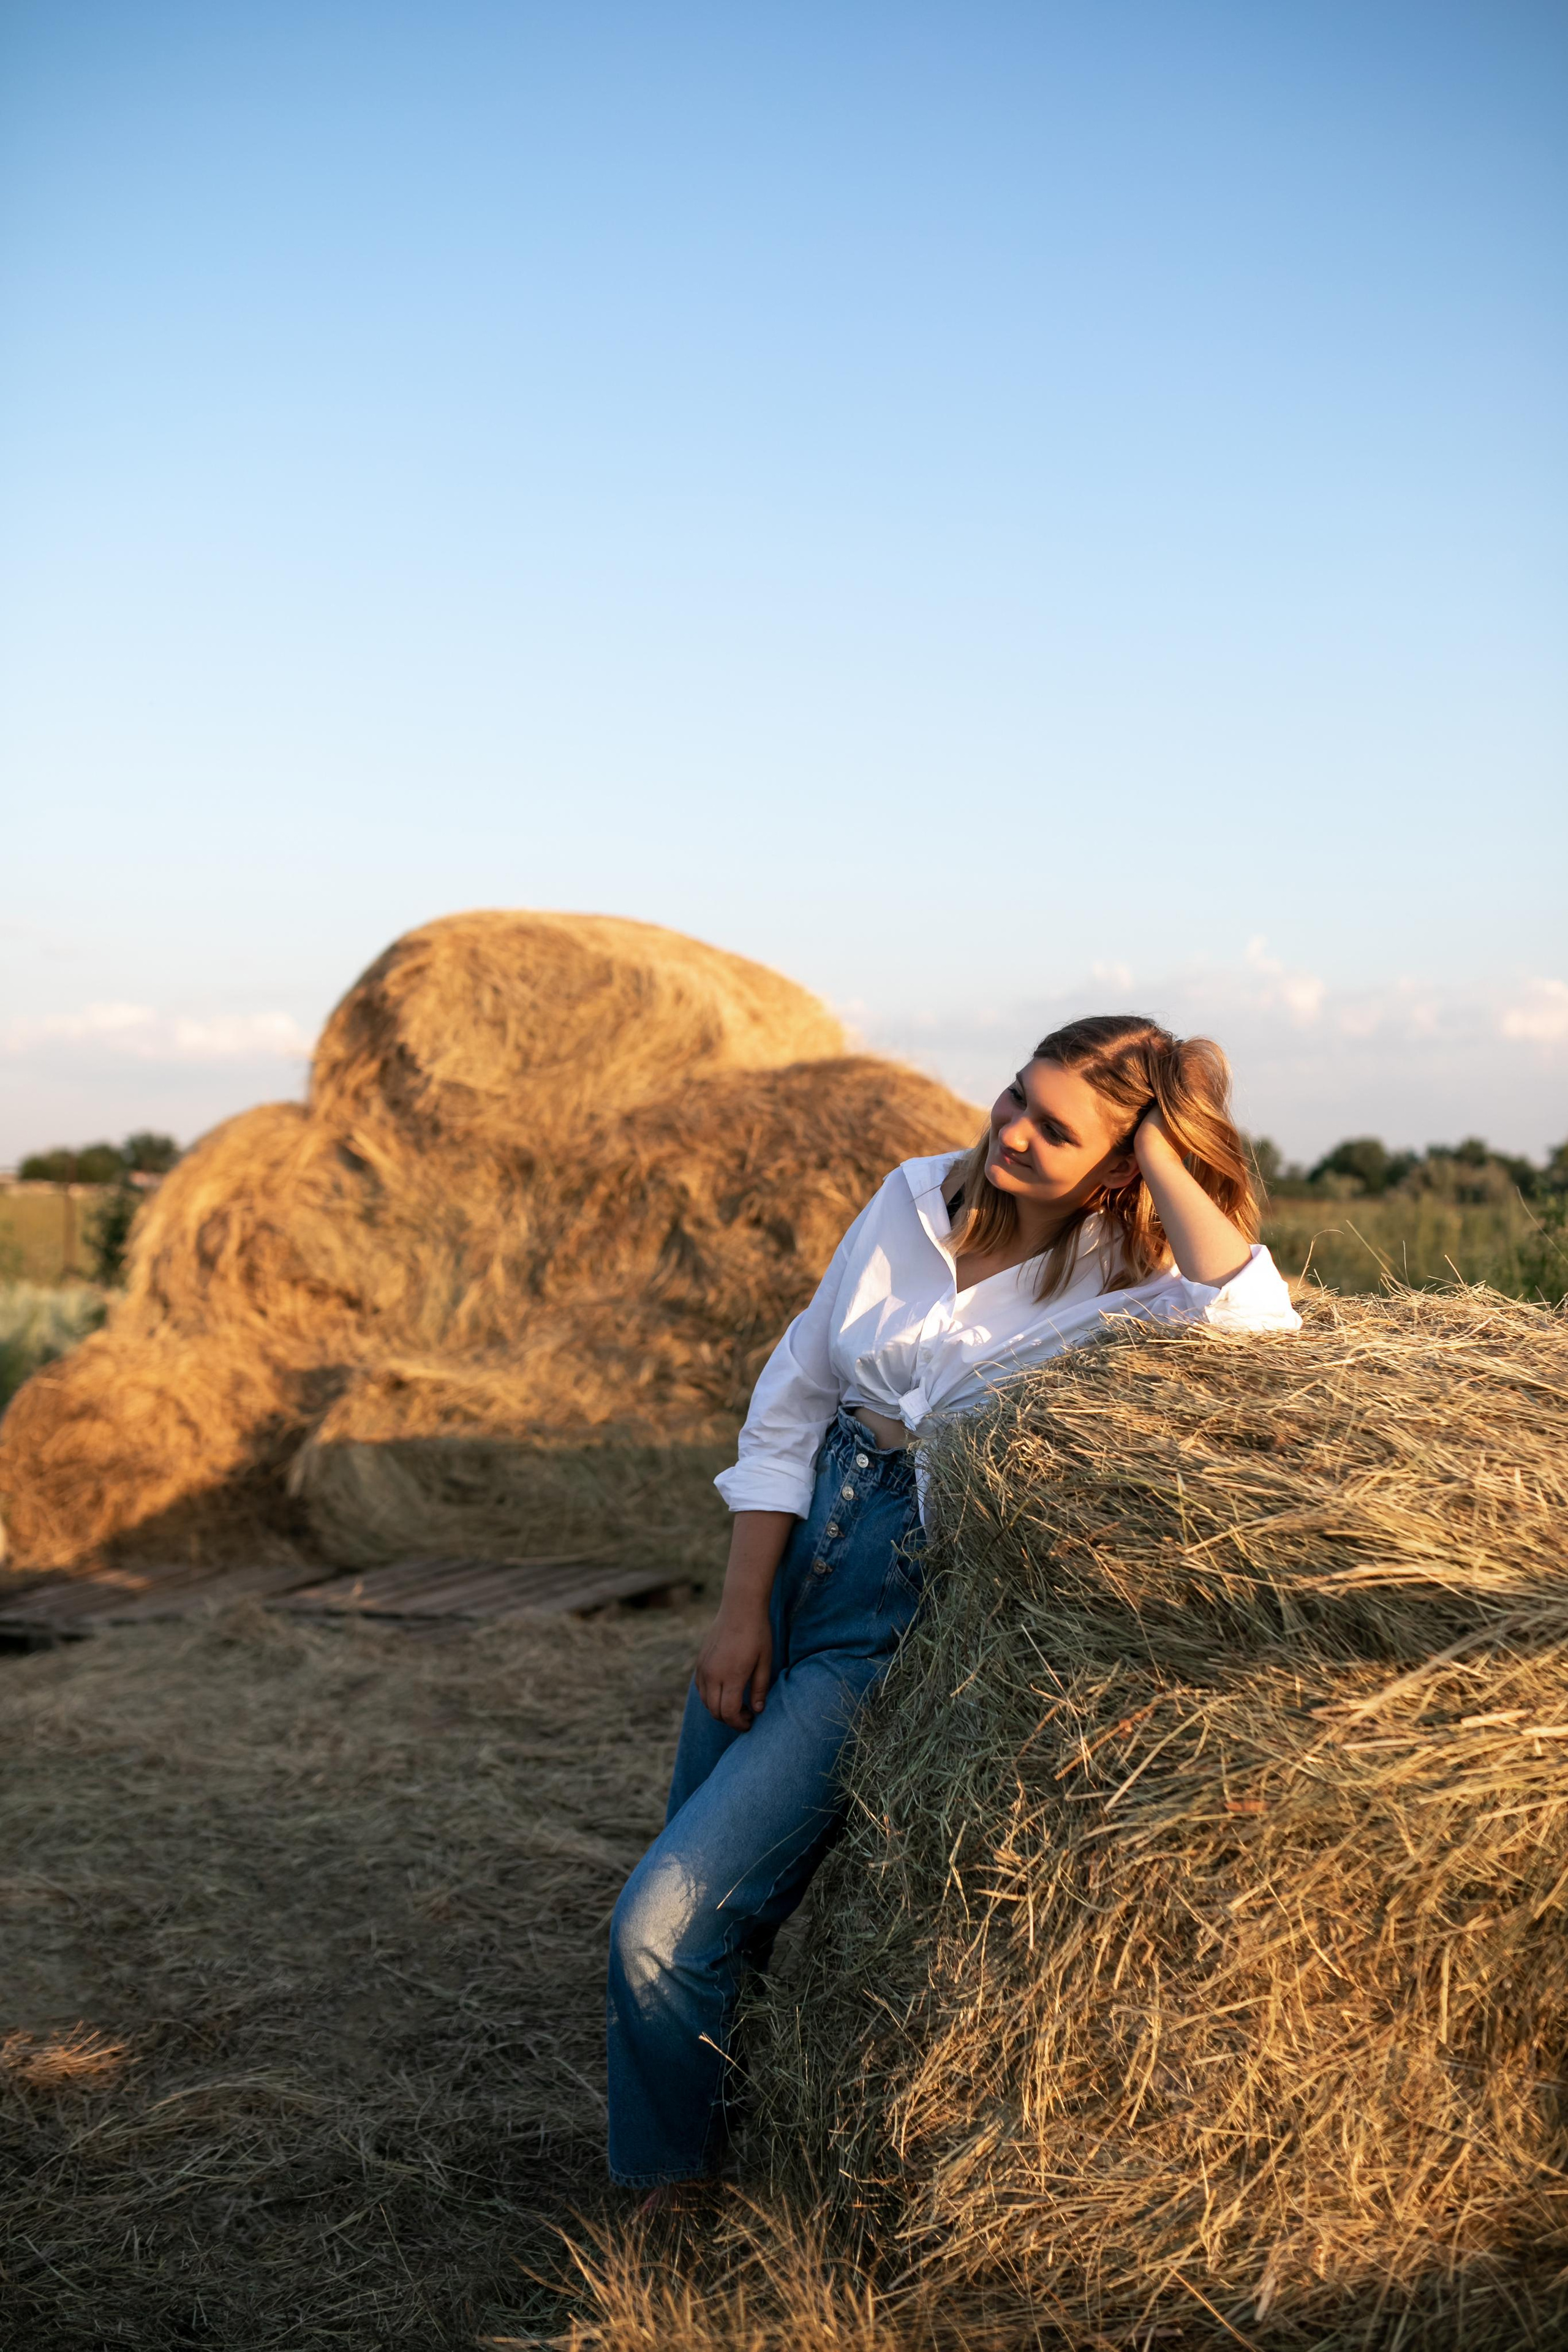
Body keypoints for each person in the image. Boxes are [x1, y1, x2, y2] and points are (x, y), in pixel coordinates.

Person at [605, 1014, 1300, 2190]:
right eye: (1015, 1099)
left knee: (660, 1926)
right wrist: (738, 1612)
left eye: (1056, 1128)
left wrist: (1168, 1152)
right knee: (716, 1904)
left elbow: (1263, 1332)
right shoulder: (912, 1197)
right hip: (789, 1557)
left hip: (894, 1614)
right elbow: (794, 1395)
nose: (1013, 1133)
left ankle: (661, 2204)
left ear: (1125, 1160)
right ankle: (720, 2142)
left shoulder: (1130, 1284)